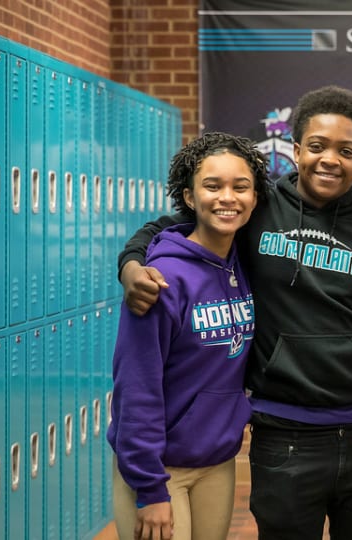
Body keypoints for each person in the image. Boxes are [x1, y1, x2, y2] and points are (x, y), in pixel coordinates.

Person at [117, 86, 352, 540]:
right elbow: (166, 228)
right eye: (317, 146)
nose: (330, 159)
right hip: (282, 436)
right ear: (295, 151)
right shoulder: (256, 209)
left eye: (345, 151)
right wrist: (131, 265)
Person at [108, 132, 266, 540]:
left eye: (240, 187)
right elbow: (136, 386)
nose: (227, 197)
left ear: (255, 197)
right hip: (160, 471)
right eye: (212, 186)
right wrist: (149, 488)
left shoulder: (241, 262)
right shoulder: (160, 279)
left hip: (216, 460)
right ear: (190, 198)